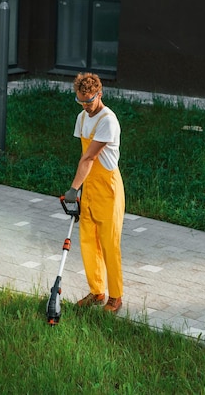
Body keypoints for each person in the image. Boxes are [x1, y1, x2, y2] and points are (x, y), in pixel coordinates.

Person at [64, 72, 125, 314]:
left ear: (99, 94)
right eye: (81, 102)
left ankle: (115, 296)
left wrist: (72, 188)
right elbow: (82, 157)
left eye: (89, 101)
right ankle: (97, 291)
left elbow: (90, 157)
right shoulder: (82, 117)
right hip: (89, 185)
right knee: (88, 241)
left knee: (109, 243)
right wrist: (80, 188)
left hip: (108, 188)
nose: (86, 106)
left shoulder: (107, 120)